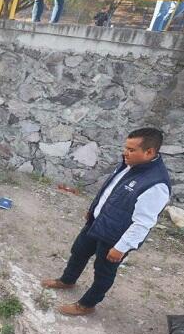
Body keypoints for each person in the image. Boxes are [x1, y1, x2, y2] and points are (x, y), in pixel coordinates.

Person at [41, 128, 171, 316]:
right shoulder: (130, 164)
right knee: (78, 251)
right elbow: (110, 190)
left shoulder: (156, 184)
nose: (125, 152)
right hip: (98, 222)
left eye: (131, 149)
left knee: (103, 272)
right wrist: (93, 210)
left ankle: (87, 304)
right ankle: (67, 280)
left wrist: (122, 247)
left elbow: (144, 223)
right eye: (126, 147)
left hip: (115, 237)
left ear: (149, 152)